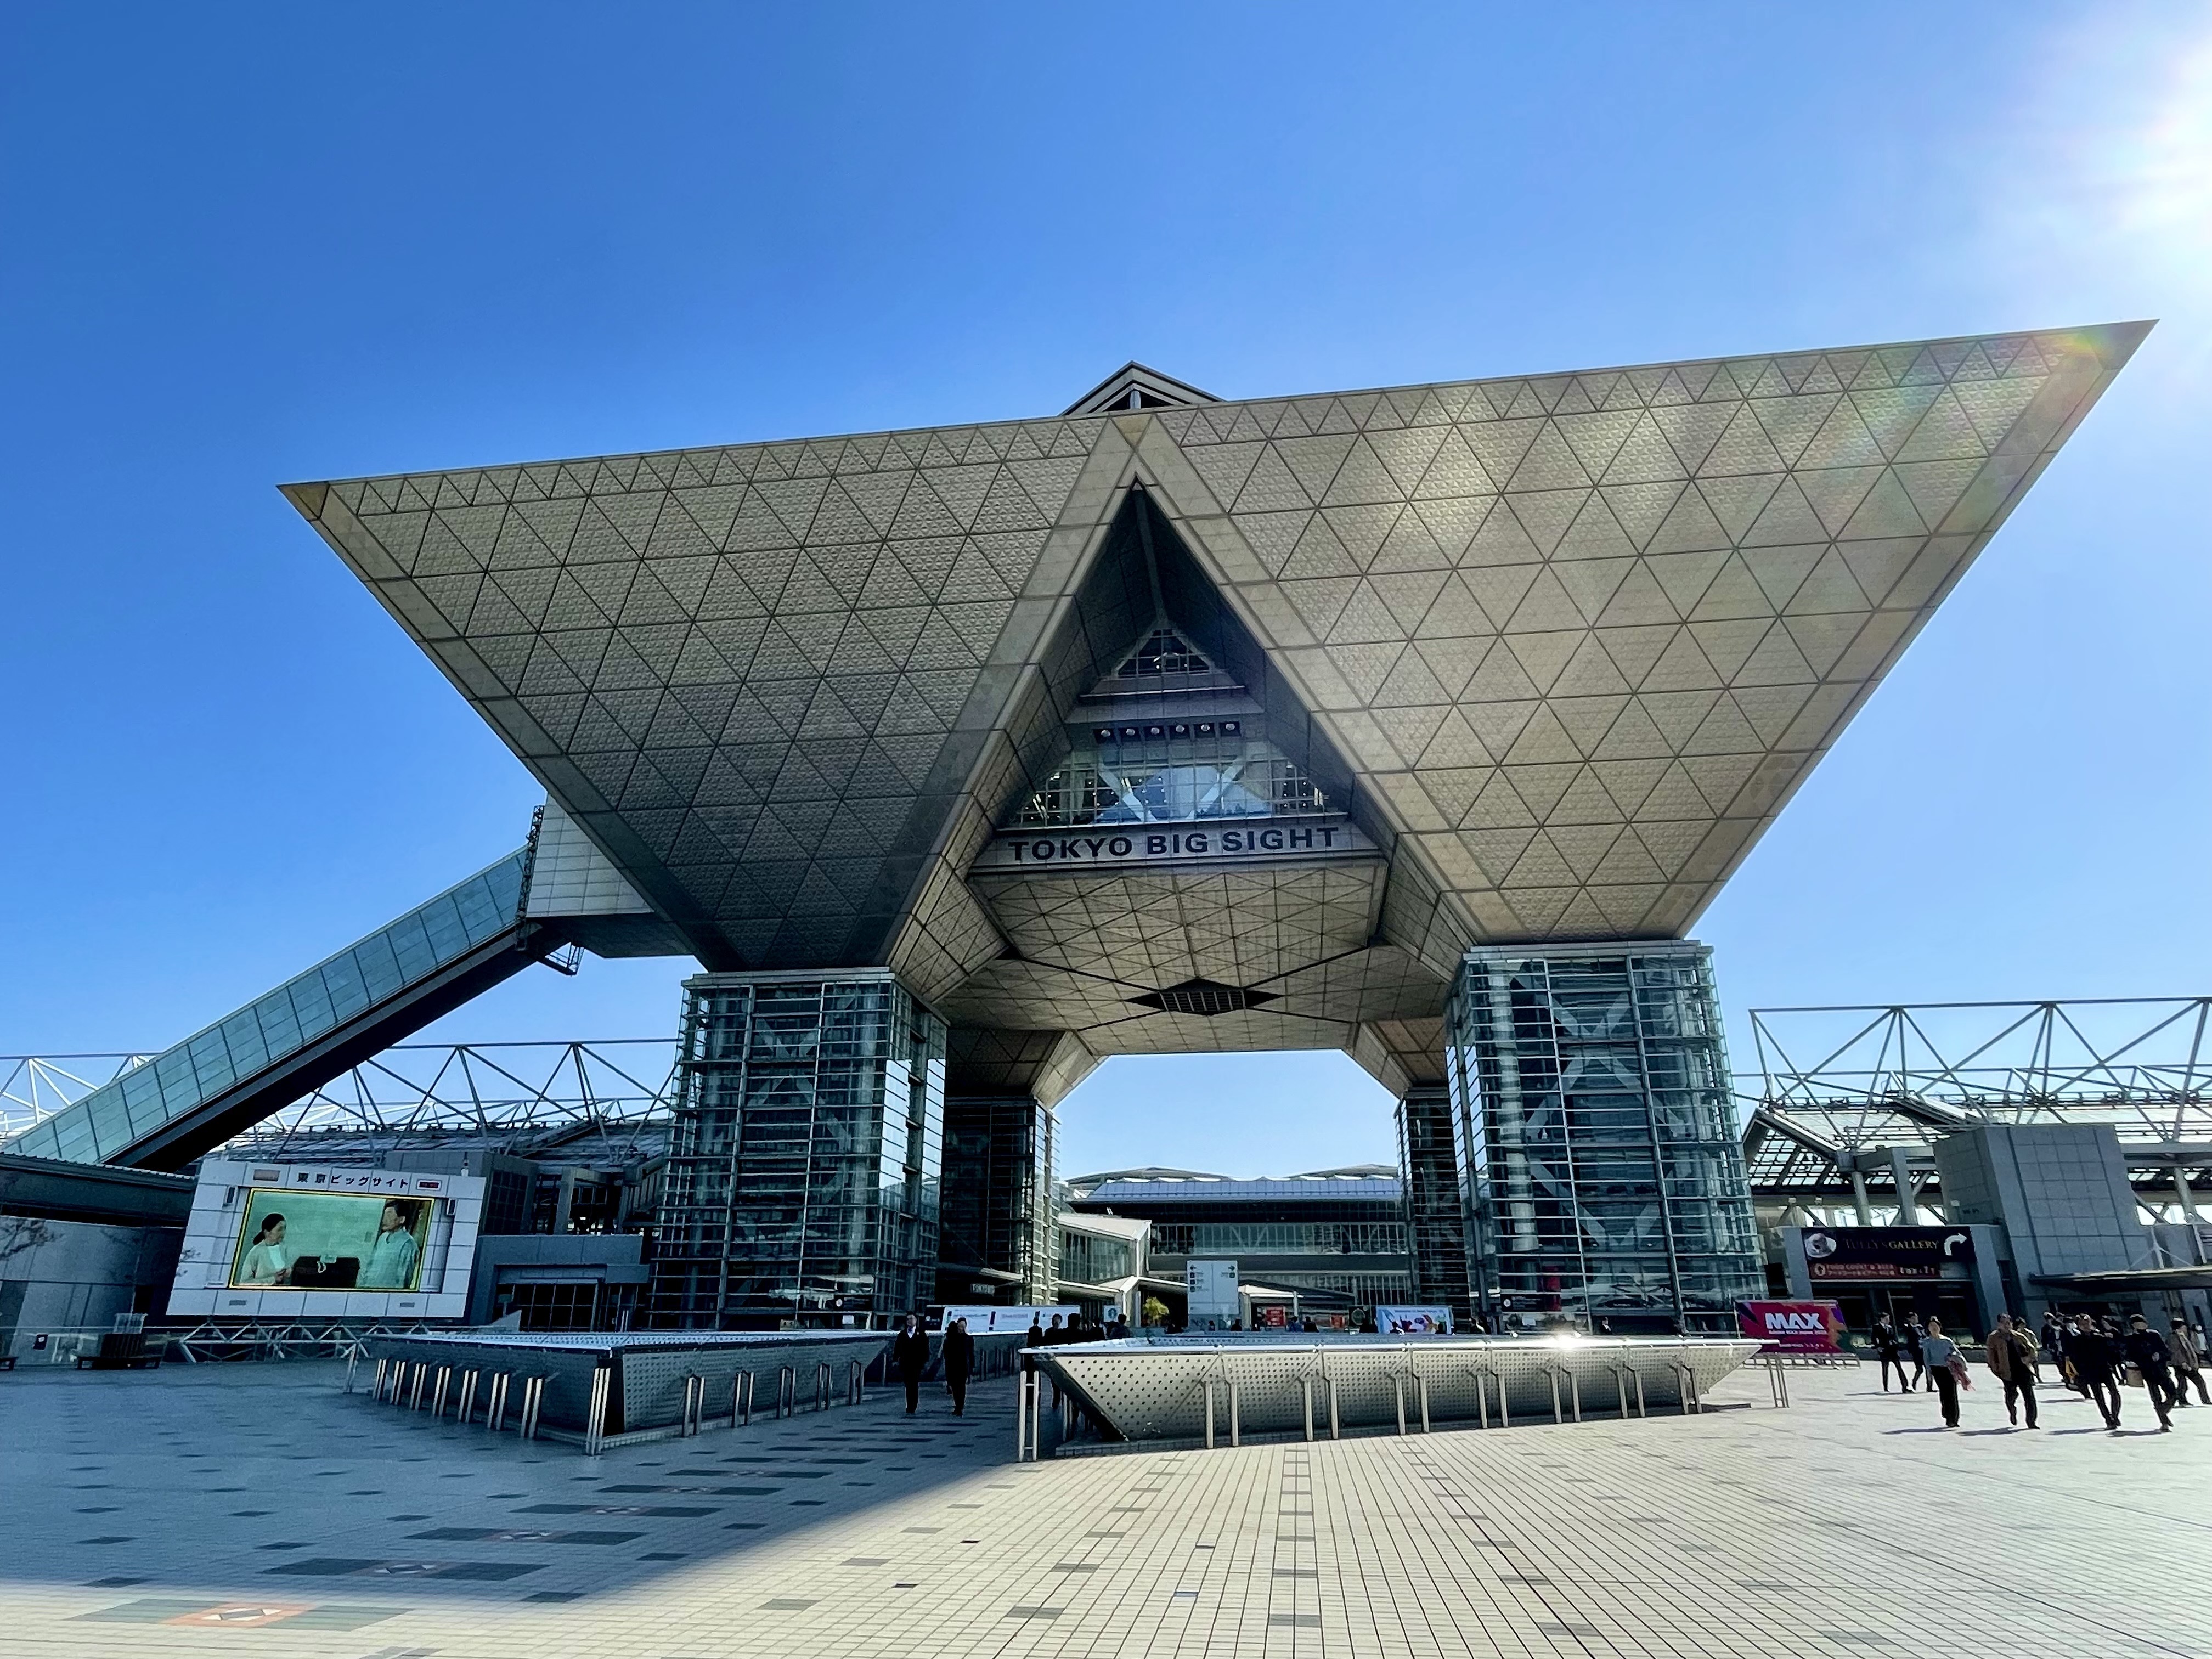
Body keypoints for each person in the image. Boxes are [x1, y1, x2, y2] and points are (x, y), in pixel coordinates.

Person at [2123, 1315, 2179, 1431]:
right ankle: (2164, 1422)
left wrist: (2159, 1355)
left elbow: (2166, 1351)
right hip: (2147, 1371)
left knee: (2174, 1394)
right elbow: (2129, 1355)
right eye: (2139, 1323)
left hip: (2161, 1369)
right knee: (2156, 1397)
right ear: (2133, 1325)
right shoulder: (2130, 1339)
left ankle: (2163, 1411)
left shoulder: (2154, 1335)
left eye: (2143, 1323)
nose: (2142, 1325)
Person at [2066, 1315, 2123, 1430]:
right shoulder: (2076, 1341)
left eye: (2087, 1323)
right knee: (2099, 1396)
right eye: (2082, 1324)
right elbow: (2074, 1358)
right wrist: (2079, 1373)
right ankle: (2108, 1419)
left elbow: (2111, 1351)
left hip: (2104, 1369)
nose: (2085, 1326)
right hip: (2089, 1371)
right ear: (2078, 1326)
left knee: (2114, 1392)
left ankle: (2115, 1415)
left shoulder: (2100, 1337)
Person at [1985, 1313, 2040, 1429]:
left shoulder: (2018, 1336)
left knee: (2029, 1396)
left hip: (2023, 1370)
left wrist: (2029, 1358)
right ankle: (2012, 1411)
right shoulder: (1993, 1338)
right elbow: (1991, 1356)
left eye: (2009, 1322)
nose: (2007, 1325)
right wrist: (1997, 1370)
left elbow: (2032, 1349)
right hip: (2007, 1372)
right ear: (1998, 1324)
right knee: (2011, 1395)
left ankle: (2031, 1421)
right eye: (2004, 1322)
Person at [359, 1201, 421, 1290]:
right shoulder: (383, 1238)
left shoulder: (408, 1244)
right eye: (384, 1215)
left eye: (389, 1215)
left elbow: (404, 1279)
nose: (384, 1219)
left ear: (401, 1220)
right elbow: (370, 1266)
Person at [1919, 1316, 1965, 1427]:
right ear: (1928, 1329)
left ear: (1940, 1327)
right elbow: (1926, 1358)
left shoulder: (1946, 1341)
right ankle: (1947, 1414)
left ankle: (1954, 1418)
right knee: (1944, 1392)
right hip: (1937, 1369)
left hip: (1949, 1368)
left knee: (1952, 1392)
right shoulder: (1927, 1342)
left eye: (1936, 1326)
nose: (1934, 1328)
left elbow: (1957, 1353)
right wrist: (1929, 1373)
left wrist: (1961, 1364)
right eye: (1931, 1326)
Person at [893, 1313, 930, 1415]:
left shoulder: (921, 1333)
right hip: (906, 1363)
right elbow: (897, 1348)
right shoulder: (902, 1334)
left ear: (916, 1321)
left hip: (917, 1364)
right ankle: (909, 1405)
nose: (910, 1321)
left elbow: (925, 1349)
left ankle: (913, 1406)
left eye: (912, 1319)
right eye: (908, 1319)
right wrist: (895, 1360)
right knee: (908, 1385)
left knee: (914, 1385)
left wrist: (925, 1361)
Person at [238, 1213, 290, 1285]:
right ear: (267, 1233)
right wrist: (272, 1280)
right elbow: (244, 1283)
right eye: (280, 1230)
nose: (283, 1233)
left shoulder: (284, 1248)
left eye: (284, 1228)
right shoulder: (256, 1253)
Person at [2170, 1319, 2208, 1406]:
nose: (2186, 1328)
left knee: (2197, 1382)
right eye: (2183, 1326)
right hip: (2181, 1364)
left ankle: (2205, 1400)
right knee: (2184, 1384)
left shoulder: (2184, 1336)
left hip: (2189, 1364)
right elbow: (2176, 1351)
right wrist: (2183, 1362)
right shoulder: (2174, 1337)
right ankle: (2182, 1400)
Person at [942, 1316, 974, 1416]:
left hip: (963, 1367)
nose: (962, 1328)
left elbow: (971, 1353)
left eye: (963, 1326)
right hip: (953, 1366)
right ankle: (958, 1406)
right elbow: (947, 1355)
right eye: (960, 1326)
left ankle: (960, 1407)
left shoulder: (968, 1339)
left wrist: (971, 1366)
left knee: (961, 1387)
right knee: (955, 1388)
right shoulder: (951, 1339)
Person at [1872, 1314, 1910, 1393]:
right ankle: (1886, 1387)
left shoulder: (1890, 1327)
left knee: (1899, 1367)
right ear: (1881, 1319)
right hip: (1884, 1350)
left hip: (1892, 1350)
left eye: (1888, 1319)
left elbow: (1893, 1338)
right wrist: (1878, 1347)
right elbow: (1874, 1337)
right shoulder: (1877, 1327)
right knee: (1885, 1369)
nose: (1888, 1320)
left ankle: (1905, 1386)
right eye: (1886, 1319)